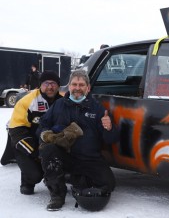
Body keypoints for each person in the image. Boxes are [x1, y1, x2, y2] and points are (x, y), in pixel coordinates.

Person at [37, 69, 118, 211]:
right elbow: (42, 124)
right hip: (65, 157)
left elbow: (110, 140)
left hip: (89, 159)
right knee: (48, 150)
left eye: (81, 85)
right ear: (69, 86)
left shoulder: (98, 109)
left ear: (88, 88)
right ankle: (57, 194)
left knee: (109, 184)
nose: (77, 88)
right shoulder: (59, 104)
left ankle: (77, 178)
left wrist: (109, 127)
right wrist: (46, 134)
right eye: (74, 84)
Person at [8, 71, 62, 195]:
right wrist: (36, 153)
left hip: (50, 144)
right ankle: (27, 181)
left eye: (53, 83)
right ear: (40, 85)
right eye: (46, 83)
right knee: (35, 175)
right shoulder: (27, 102)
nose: (50, 86)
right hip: (27, 144)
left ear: (58, 86)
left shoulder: (62, 102)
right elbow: (16, 131)